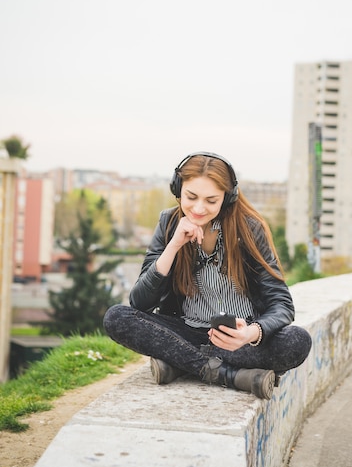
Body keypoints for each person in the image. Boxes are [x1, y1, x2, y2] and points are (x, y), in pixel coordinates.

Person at [104, 152, 312, 400]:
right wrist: (173, 246)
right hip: (186, 330)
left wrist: (251, 332)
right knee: (116, 317)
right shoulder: (169, 223)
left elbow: (282, 304)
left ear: (227, 197)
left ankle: (180, 362)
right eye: (191, 197)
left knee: (297, 341)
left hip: (237, 342)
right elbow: (140, 303)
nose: (199, 208)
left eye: (211, 201)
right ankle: (226, 375)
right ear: (178, 189)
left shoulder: (249, 228)